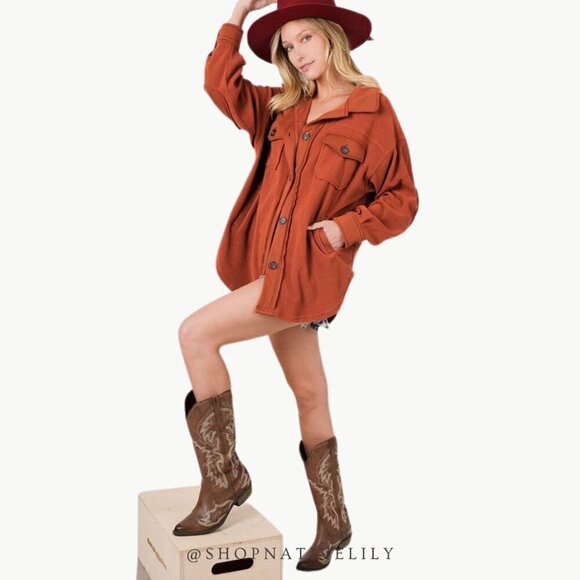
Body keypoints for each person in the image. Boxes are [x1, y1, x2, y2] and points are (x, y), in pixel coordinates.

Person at [172, 0, 419, 572]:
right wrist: (239, 12)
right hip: (268, 272)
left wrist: (345, 228)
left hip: (310, 277)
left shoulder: (372, 111)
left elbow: (402, 199)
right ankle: (335, 521)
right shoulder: (282, 108)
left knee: (196, 334)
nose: (298, 53)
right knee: (310, 394)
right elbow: (219, 84)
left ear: (331, 36)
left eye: (305, 38)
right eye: (287, 46)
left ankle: (224, 480)